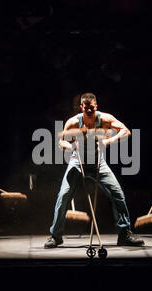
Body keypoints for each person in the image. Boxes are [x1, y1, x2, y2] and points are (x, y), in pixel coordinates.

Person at [44, 93, 144, 248]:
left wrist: (109, 140)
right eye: (86, 108)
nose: (89, 111)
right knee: (63, 196)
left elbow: (126, 131)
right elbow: (61, 142)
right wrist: (71, 146)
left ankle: (124, 234)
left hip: (98, 162)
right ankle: (56, 236)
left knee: (117, 194)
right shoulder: (73, 122)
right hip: (78, 162)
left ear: (96, 107)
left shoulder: (105, 119)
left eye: (92, 108)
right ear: (81, 107)